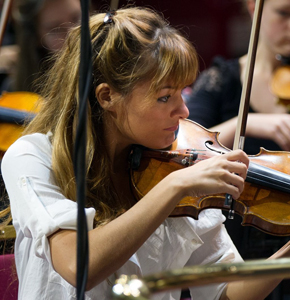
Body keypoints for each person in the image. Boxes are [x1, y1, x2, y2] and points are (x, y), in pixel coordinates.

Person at [1, 6, 290, 300]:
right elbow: (78, 266)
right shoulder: (32, 157)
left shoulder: (177, 167)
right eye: (165, 97)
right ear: (107, 96)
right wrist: (175, 187)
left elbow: (224, 292)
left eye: (182, 93)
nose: (185, 111)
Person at [186, 0, 290, 155]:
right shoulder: (221, 79)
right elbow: (186, 145)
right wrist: (244, 124)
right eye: (283, 13)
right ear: (254, 8)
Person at [0, 0, 81, 93]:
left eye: (76, 18)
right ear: (37, 38)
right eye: (56, 29)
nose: (73, 35)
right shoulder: (16, 90)